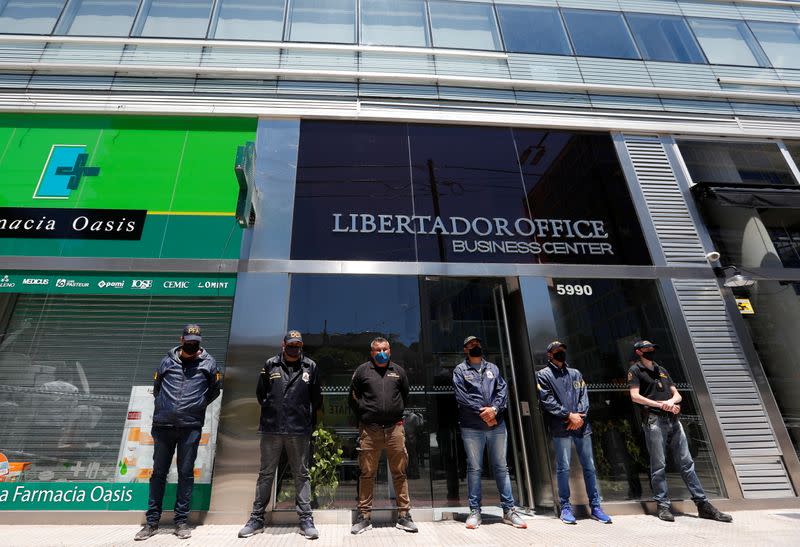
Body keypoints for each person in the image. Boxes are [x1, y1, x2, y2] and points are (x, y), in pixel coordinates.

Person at [628, 340, 732, 523]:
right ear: (638, 352)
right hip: (654, 421)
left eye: (653, 348)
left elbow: (677, 394)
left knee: (687, 463)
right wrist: (661, 405)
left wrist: (671, 403)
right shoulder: (635, 370)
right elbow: (635, 396)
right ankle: (663, 505)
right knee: (658, 465)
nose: (651, 350)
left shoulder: (661, 369)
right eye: (647, 349)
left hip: (673, 421)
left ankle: (703, 505)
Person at [135, 324, 222, 541]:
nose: (192, 344)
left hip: (190, 427)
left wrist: (197, 405)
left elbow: (214, 390)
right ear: (181, 339)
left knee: (185, 473)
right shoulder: (167, 361)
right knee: (158, 473)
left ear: (199, 342)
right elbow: (157, 388)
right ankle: (151, 522)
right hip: (163, 425)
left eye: (195, 341)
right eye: (188, 340)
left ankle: (181, 521)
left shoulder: (209, 364)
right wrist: (166, 407)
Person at [238, 330, 323, 540]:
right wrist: (272, 410)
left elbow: (316, 399)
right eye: (291, 344)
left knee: (301, 475)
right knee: (266, 474)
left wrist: (306, 422)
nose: (295, 347)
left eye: (298, 345)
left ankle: (305, 520)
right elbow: (261, 394)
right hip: (272, 429)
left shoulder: (310, 366)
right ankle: (257, 519)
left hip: (298, 430)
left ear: (301, 346)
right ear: (283, 344)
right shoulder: (270, 364)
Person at [452, 335, 527, 530]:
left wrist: (494, 410)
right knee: (475, 468)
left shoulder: (493, 368)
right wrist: (485, 413)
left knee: (502, 467)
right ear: (465, 350)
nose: (475, 345)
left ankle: (509, 511)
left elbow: (502, 391)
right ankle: (475, 512)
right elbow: (462, 397)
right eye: (470, 344)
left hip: (497, 425)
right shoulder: (460, 370)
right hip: (472, 427)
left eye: (477, 343)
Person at [536, 341, 612, 525]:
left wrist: (579, 417)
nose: (560, 352)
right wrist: (568, 415)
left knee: (590, 467)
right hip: (561, 428)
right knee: (563, 467)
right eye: (556, 351)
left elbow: (583, 397)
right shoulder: (543, 375)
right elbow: (547, 401)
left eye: (562, 350)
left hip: (582, 427)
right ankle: (565, 507)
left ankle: (595, 506)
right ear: (549, 355)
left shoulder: (575, 373)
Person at [348, 337, 418, 535]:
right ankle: (364, 517)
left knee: (400, 472)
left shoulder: (398, 371)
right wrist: (365, 413)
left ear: (390, 351)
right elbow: (352, 397)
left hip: (395, 429)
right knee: (367, 473)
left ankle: (404, 516)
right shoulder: (362, 371)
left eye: (385, 349)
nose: (381, 352)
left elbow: (405, 395)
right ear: (371, 352)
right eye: (377, 349)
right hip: (370, 431)